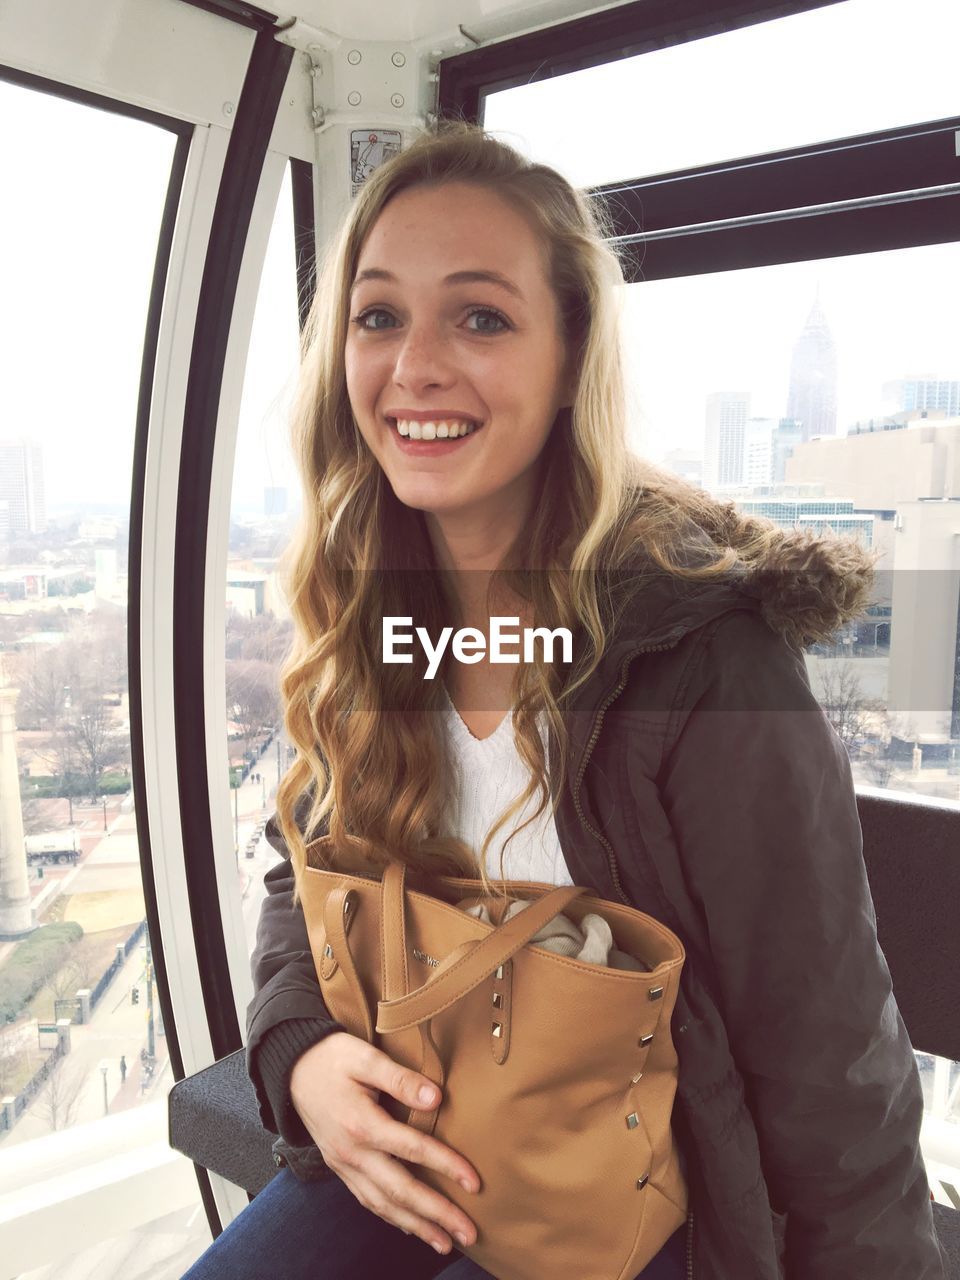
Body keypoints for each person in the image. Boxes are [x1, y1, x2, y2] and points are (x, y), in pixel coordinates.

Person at [183, 121, 944, 1279]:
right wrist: (298, 1056)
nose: (416, 365)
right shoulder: (375, 613)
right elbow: (307, 870)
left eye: (481, 316)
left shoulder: (702, 660)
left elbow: (830, 1060)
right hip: (424, 1141)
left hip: (648, 1199)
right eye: (379, 314)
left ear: (570, 353)